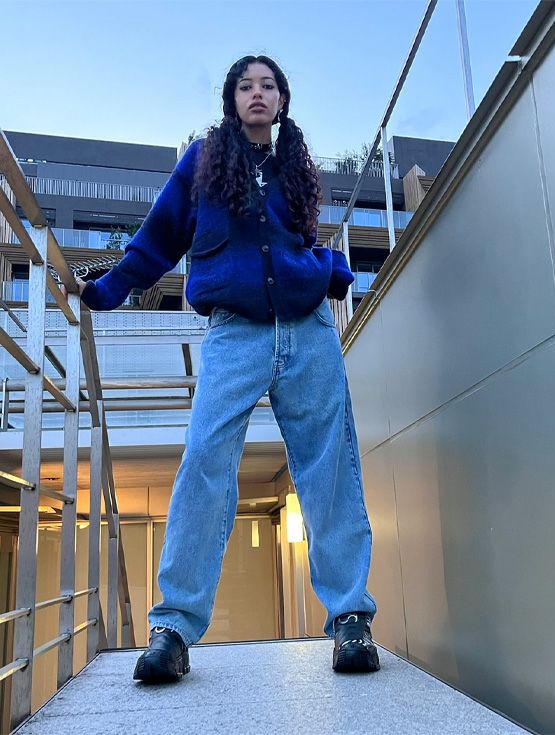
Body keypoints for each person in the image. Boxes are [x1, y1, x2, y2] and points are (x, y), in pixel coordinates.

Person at [64, 54, 380, 682]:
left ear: (282, 100)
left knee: (329, 469)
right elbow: (159, 237)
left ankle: (350, 619)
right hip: (235, 332)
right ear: (231, 99)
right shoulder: (203, 161)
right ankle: (174, 630)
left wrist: (332, 272)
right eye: (245, 86)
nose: (257, 93)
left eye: (268, 85)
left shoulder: (294, 165)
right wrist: (108, 289)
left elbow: (300, 243)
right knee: (205, 461)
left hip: (309, 329)